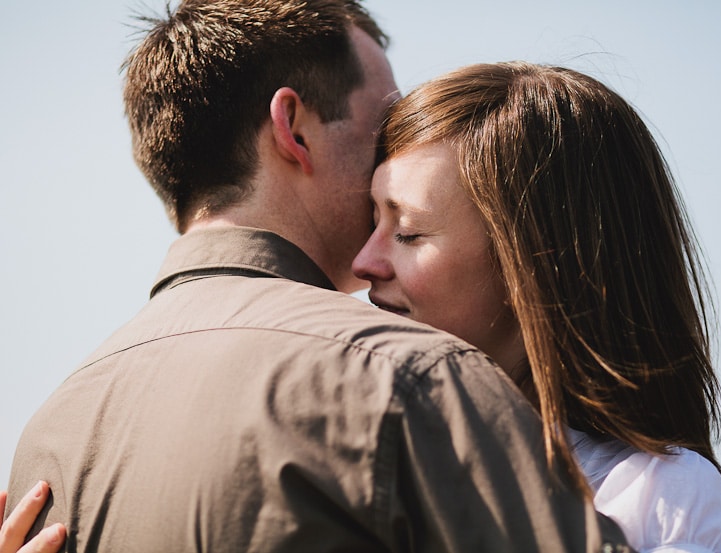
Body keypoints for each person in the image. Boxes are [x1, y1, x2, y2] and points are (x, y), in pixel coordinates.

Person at [3, 2, 630, 552]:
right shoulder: (410, 380)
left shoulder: (50, 432)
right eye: (383, 123)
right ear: (293, 128)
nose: (397, 148)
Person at [352, 62, 721, 553]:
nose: (365, 262)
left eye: (408, 232)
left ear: (533, 261)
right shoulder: (367, 444)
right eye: (370, 221)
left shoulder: (653, 497)